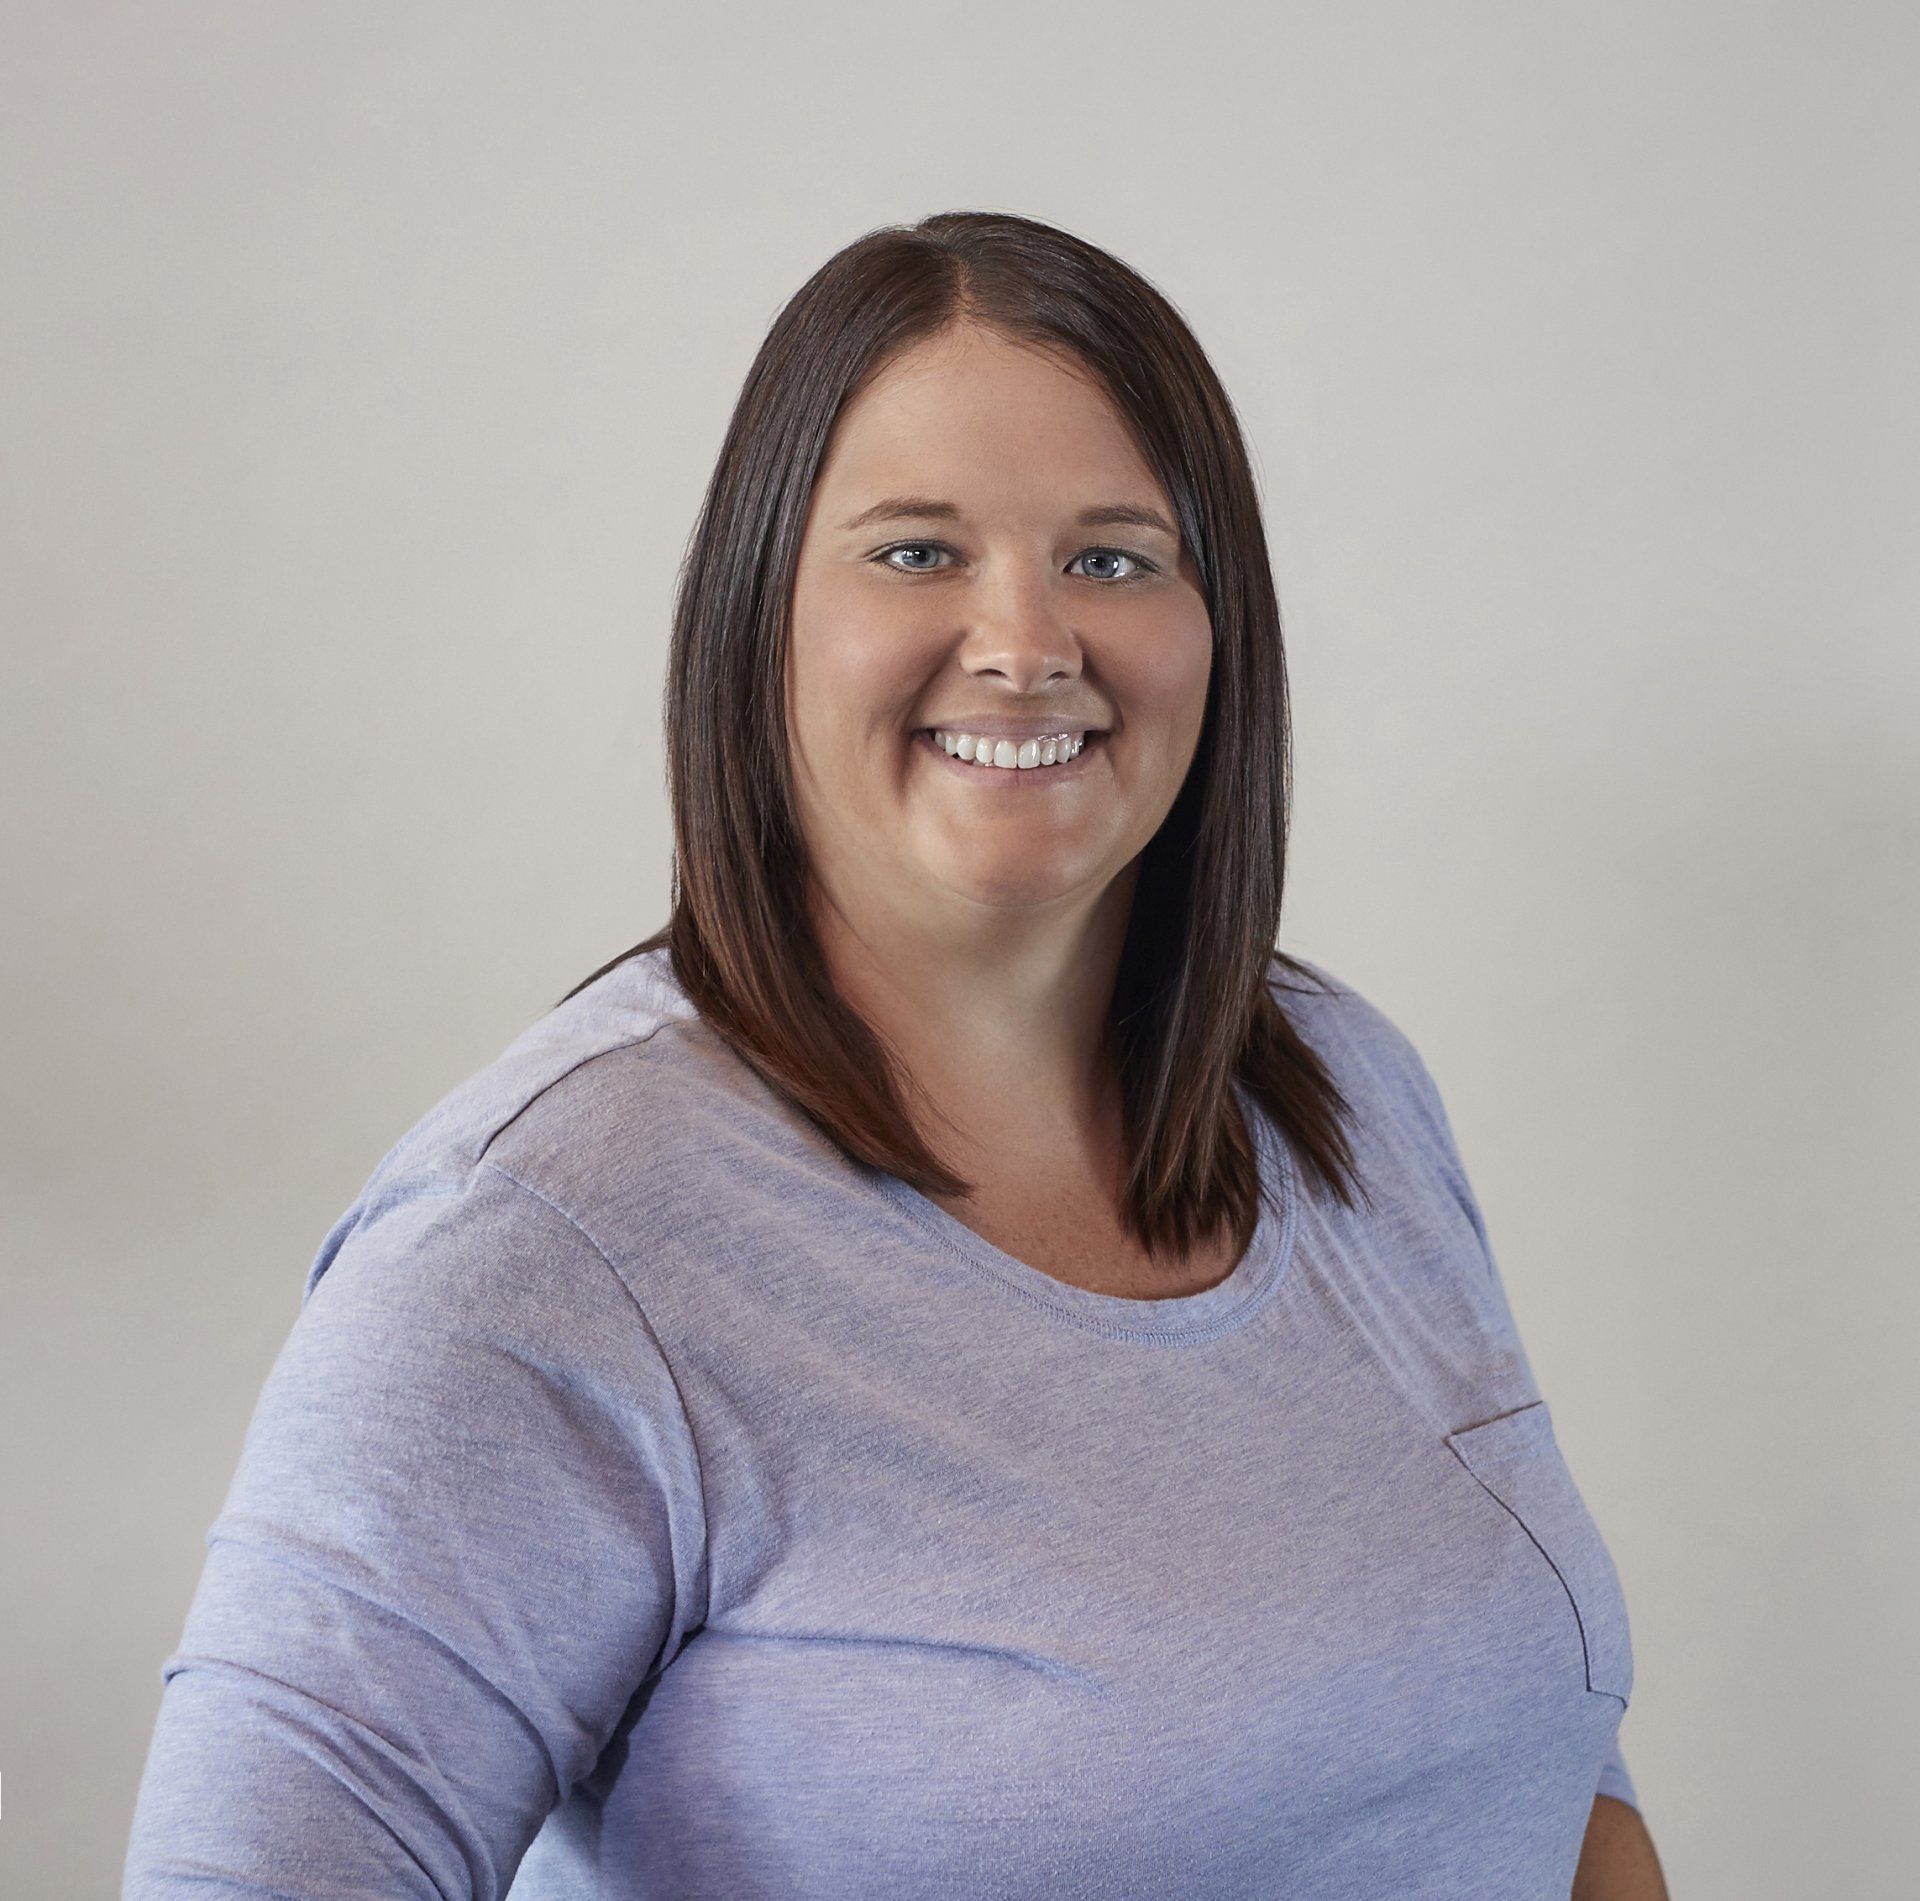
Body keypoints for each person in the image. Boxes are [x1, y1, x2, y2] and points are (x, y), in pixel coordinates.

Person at [123, 210, 1669, 1899]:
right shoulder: (547, 1240)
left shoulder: (1344, 1093)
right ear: (759, 618)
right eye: (917, 551)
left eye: (1114, 556)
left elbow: (1549, 1761)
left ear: (1221, 631)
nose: (1026, 640)